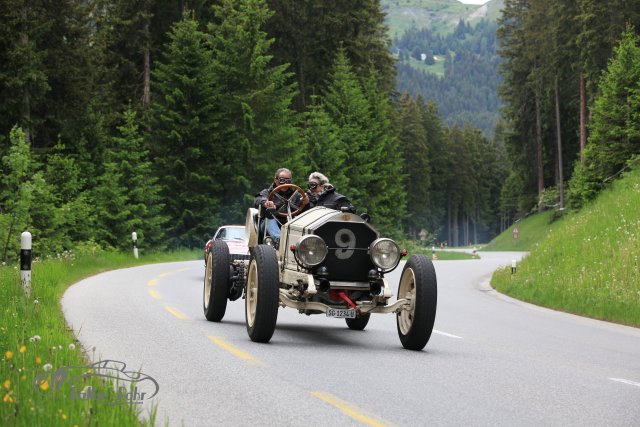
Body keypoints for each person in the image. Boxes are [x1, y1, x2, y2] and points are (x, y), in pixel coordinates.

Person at [254, 168, 306, 246]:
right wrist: (266, 203)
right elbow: (258, 200)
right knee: (270, 216)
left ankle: (303, 244)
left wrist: (306, 203)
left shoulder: (296, 195)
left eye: (288, 181)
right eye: (282, 180)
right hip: (268, 224)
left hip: (289, 222)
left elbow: (304, 210)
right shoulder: (267, 192)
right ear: (276, 180)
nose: (285, 183)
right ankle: (280, 241)